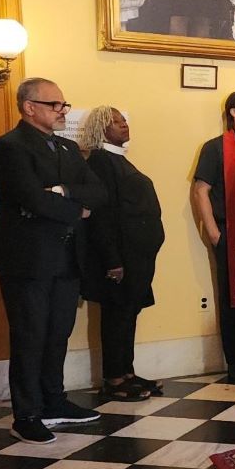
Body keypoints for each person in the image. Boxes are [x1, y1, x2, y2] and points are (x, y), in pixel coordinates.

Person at [0, 78, 107, 444]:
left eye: (63, 105)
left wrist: (65, 192)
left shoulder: (69, 148)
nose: (63, 111)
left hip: (66, 257)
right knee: (29, 335)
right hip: (28, 259)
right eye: (56, 105)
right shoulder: (9, 147)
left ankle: (54, 401)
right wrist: (77, 208)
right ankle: (26, 413)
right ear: (29, 107)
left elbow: (98, 192)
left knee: (58, 334)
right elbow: (30, 198)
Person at [80, 106, 165, 401]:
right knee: (117, 316)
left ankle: (126, 372)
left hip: (138, 256)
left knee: (128, 314)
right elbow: (104, 214)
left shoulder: (118, 159)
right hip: (121, 258)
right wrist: (112, 260)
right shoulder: (102, 162)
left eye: (124, 120)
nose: (124, 125)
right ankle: (114, 378)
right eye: (116, 122)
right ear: (102, 128)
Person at [192, 89, 235, 384]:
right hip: (228, 232)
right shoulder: (215, 147)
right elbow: (200, 191)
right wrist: (215, 232)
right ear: (234, 112)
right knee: (231, 300)